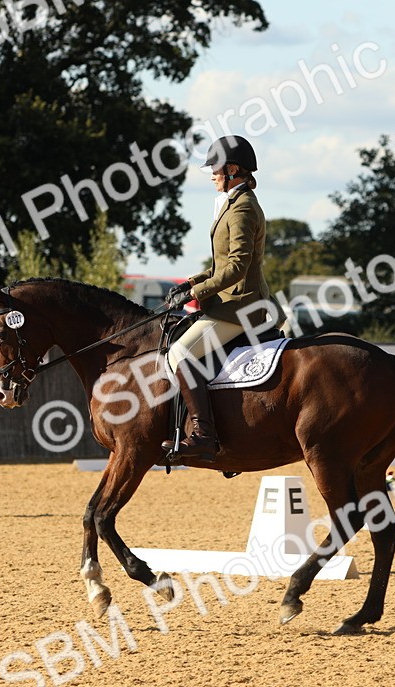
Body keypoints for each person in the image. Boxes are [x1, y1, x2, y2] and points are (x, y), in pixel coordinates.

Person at [160, 135, 276, 461]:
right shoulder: (233, 204)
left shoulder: (242, 209)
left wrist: (198, 292)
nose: (212, 174)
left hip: (240, 307)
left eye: (216, 168)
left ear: (233, 169)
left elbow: (237, 267)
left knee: (180, 353)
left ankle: (203, 435)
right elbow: (220, 264)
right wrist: (190, 283)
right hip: (230, 302)